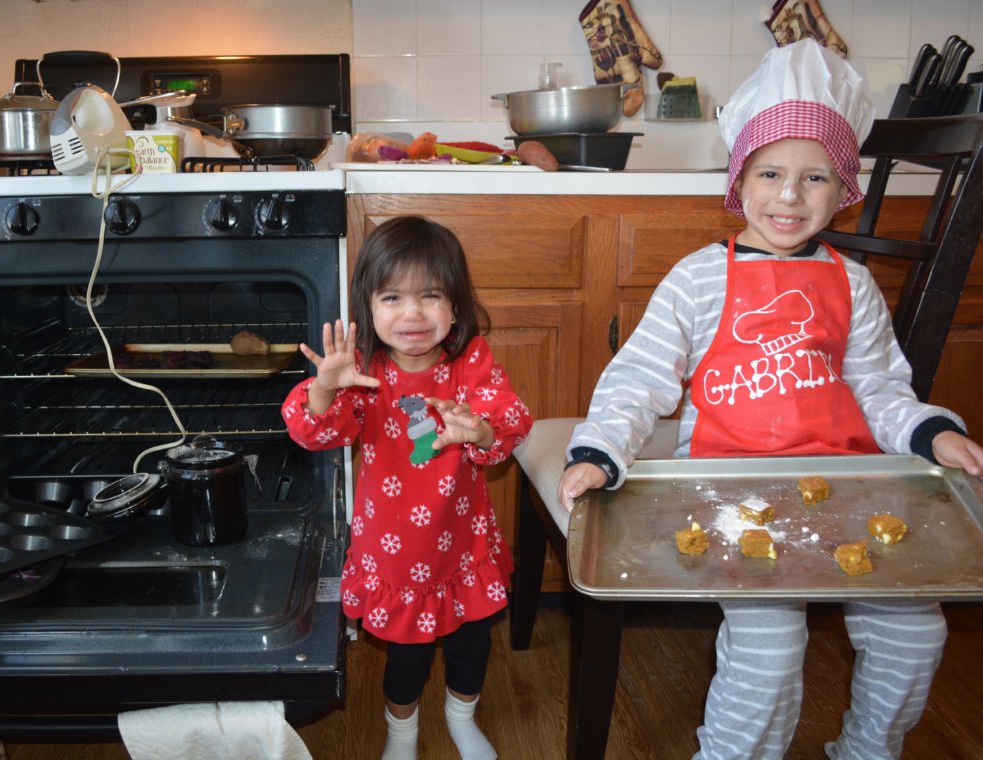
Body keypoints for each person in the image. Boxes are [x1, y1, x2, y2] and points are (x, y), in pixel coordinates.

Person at [557, 39, 983, 760]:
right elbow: (638, 378)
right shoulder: (697, 279)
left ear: (843, 188)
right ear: (739, 180)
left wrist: (929, 430)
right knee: (769, 652)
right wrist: (601, 450)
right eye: (771, 173)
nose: (790, 196)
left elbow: (880, 385)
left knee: (916, 634)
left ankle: (866, 750)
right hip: (734, 488)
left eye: (815, 177)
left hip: (851, 486)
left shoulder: (852, 284)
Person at [281, 215, 533, 760]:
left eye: (430, 296)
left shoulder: (470, 361)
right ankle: (401, 732)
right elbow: (313, 432)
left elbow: (509, 421)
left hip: (463, 549)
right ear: (368, 308)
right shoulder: (362, 373)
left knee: (472, 648)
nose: (412, 313)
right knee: (406, 660)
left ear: (455, 307)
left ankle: (461, 718)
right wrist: (324, 390)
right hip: (395, 558)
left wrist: (480, 429)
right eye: (392, 297)